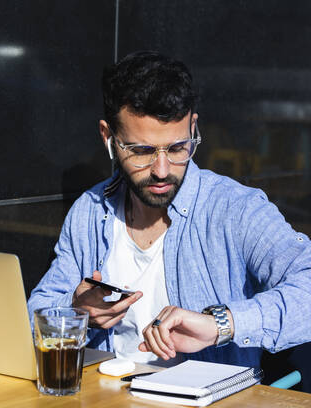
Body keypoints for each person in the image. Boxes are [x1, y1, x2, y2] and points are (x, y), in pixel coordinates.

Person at [28, 51, 311, 371]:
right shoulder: (90, 213)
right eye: (142, 151)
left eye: (177, 148)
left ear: (193, 127)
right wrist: (78, 313)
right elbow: (34, 315)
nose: (162, 170)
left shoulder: (235, 209)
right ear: (109, 138)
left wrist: (223, 324)